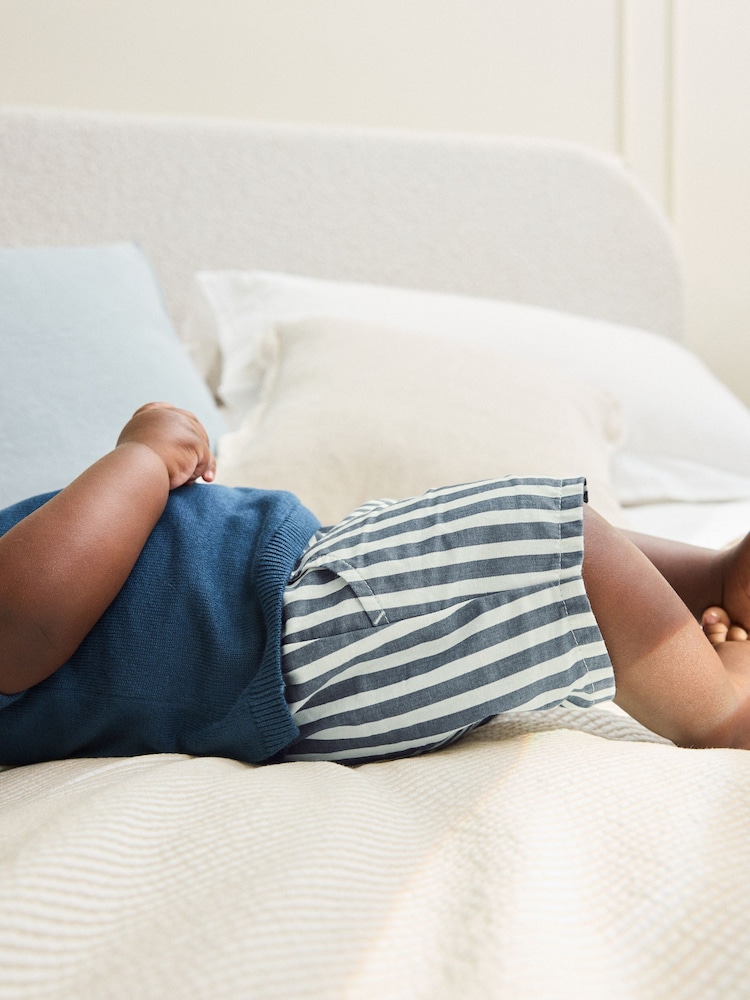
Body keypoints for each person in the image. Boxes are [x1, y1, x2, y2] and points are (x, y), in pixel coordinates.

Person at [1, 402, 750, 768]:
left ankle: (715, 580)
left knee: (563, 539)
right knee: (556, 543)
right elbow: (26, 618)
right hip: (290, 641)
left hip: (301, 593)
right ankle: (720, 709)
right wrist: (136, 460)